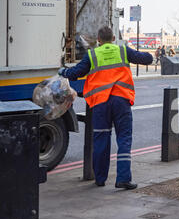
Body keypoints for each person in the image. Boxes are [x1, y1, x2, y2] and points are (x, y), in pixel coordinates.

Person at [58, 26, 153, 190]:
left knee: (101, 139)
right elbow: (147, 59)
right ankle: (123, 178)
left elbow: (76, 73)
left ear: (99, 40)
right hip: (121, 100)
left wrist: (62, 71)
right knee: (124, 139)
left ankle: (100, 179)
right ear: (114, 38)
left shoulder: (92, 54)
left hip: (101, 103)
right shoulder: (123, 51)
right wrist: (149, 54)